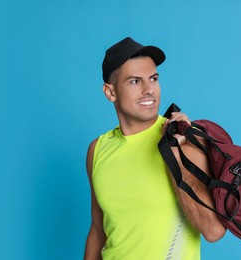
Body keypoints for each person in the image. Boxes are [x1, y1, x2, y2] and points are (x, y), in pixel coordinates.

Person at [84, 37, 225, 260]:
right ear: (110, 92)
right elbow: (98, 229)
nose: (149, 90)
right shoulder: (97, 150)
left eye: (154, 78)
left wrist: (175, 156)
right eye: (135, 81)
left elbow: (213, 230)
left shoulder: (182, 138)